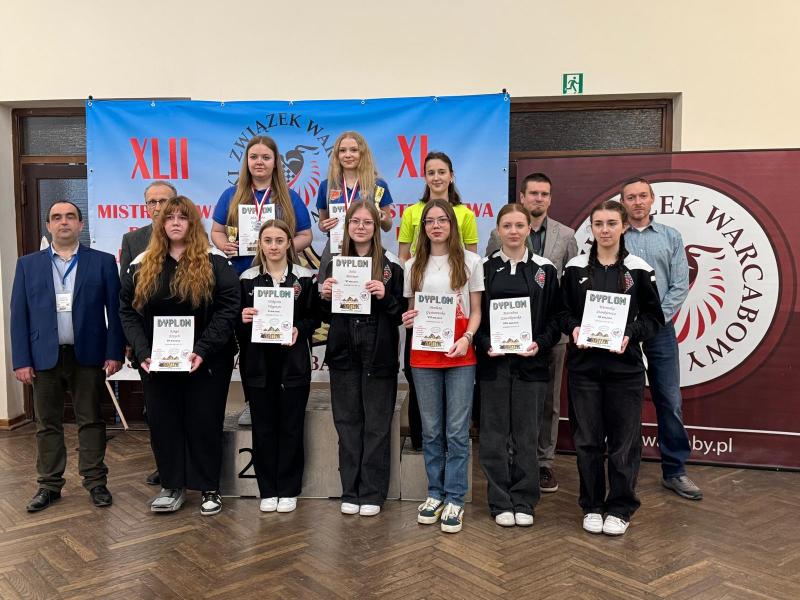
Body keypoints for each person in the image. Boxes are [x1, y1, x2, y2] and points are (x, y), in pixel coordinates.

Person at [120, 196, 240, 516]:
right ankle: (172, 486)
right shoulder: (142, 263)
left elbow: (229, 307)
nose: (175, 222)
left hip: (207, 361)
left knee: (204, 421)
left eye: (182, 217)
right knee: (164, 422)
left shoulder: (215, 261)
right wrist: (142, 352)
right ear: (160, 224)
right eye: (169, 217)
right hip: (157, 363)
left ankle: (209, 487)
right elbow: (127, 311)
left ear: (192, 223)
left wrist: (202, 350)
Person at [11, 201, 124, 512]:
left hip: (88, 355)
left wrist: (114, 352)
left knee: (92, 420)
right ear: (48, 226)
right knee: (47, 423)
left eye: (70, 217)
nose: (64, 222)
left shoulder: (102, 262)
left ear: (80, 224)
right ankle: (49, 485)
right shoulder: (27, 265)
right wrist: (21, 360)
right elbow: (18, 315)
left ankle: (96, 482)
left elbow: (115, 313)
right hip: (43, 357)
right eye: (57, 218)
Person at [561, 200, 664, 536]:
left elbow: (654, 319)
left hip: (626, 369)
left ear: (623, 227)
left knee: (624, 442)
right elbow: (562, 313)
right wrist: (575, 329)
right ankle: (591, 505)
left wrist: (630, 333)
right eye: (598, 224)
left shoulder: (639, 269)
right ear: (591, 228)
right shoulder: (575, 268)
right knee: (587, 441)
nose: (604, 230)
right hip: (584, 369)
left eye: (611, 223)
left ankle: (620, 507)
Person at [210, 135, 313, 427]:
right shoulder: (231, 195)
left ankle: (285, 402)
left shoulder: (289, 197)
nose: (259, 162)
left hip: (281, 279)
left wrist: (282, 247)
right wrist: (224, 245)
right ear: (246, 162)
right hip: (244, 279)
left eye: (266, 157)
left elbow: (306, 235)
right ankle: (253, 403)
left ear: (275, 162)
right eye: (254, 157)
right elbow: (216, 231)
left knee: (284, 344)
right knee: (251, 346)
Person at [486, 172, 578, 494]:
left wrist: (551, 334)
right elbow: (489, 287)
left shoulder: (566, 236)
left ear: (550, 198)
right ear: (522, 197)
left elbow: (568, 286)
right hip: (502, 343)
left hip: (548, 337)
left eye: (544, 193)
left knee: (547, 401)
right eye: (533, 193)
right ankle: (512, 461)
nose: (539, 198)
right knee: (510, 405)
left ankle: (543, 462)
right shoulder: (496, 242)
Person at [476, 204, 563, 527]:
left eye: (519, 225)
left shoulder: (545, 270)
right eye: (507, 226)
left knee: (527, 435)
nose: (513, 231)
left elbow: (556, 317)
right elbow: (473, 315)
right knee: (494, 435)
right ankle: (500, 500)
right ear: (498, 230)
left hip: (532, 365)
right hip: (494, 366)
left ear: (529, 229)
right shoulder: (484, 268)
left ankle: (525, 501)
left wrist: (540, 343)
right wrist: (485, 343)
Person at [402, 199, 483, 534]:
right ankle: (434, 493)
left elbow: (476, 311)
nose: (436, 226)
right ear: (423, 228)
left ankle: (455, 498)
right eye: (430, 221)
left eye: (442, 220)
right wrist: (408, 319)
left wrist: (467, 338)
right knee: (432, 430)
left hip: (460, 353)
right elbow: (411, 310)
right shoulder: (412, 265)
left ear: (452, 224)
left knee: (457, 431)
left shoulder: (471, 261)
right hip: (424, 356)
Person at [320, 201, 405, 517]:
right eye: (355, 221)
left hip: (378, 351)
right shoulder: (335, 263)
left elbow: (400, 313)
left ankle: (372, 492)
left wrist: (385, 296)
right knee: (347, 422)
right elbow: (324, 315)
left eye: (367, 222)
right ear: (347, 226)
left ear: (376, 227)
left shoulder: (391, 265)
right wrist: (325, 296)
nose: (360, 227)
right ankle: (350, 490)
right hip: (344, 350)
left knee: (377, 424)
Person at [620, 177, 702, 500]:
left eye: (643, 196)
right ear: (623, 203)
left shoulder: (670, 236)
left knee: (669, 399)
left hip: (660, 330)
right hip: (622, 331)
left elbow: (680, 284)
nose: (637, 202)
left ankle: (675, 471)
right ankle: (623, 470)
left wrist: (655, 320)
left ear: (652, 199)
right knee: (622, 402)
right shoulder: (614, 234)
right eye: (631, 197)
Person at [398, 151, 478, 451]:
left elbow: (470, 260)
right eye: (430, 172)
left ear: (451, 175)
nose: (436, 177)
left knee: (456, 424)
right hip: (424, 322)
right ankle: (421, 444)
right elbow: (404, 257)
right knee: (426, 410)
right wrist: (413, 310)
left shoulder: (466, 215)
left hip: (457, 329)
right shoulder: (411, 213)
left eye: (442, 171)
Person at [238, 219, 319, 514]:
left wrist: (299, 329)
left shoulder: (304, 278)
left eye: (279, 240)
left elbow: (315, 317)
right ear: (260, 244)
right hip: (258, 366)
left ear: (289, 244)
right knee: (263, 428)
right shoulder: (247, 279)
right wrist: (242, 318)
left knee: (291, 427)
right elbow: (235, 322)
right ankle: (268, 490)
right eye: (268, 240)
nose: (273, 246)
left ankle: (288, 489)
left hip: (293, 365)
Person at [120, 180, 177, 488]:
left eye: (163, 201)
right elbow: (126, 296)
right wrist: (132, 340)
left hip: (185, 337)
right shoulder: (133, 240)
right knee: (156, 408)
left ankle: (187, 463)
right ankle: (164, 464)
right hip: (149, 338)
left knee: (184, 404)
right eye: (152, 202)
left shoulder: (191, 236)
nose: (157, 207)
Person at [316, 131, 394, 281]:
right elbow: (321, 222)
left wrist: (383, 218)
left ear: (363, 153)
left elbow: (388, 226)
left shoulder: (378, 185)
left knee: (369, 292)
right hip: (335, 251)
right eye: (342, 150)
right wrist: (323, 225)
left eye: (354, 150)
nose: (348, 155)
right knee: (330, 293)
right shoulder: (326, 186)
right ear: (337, 155)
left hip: (368, 253)